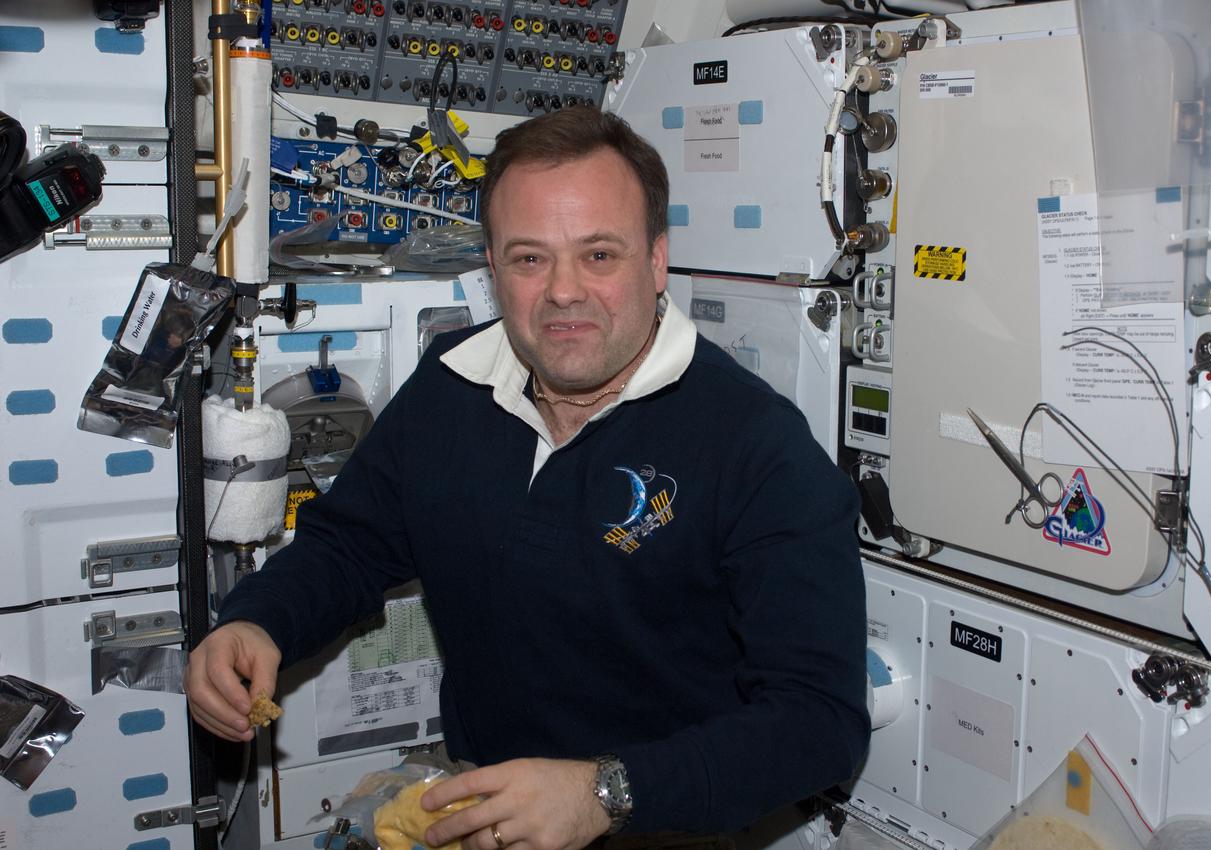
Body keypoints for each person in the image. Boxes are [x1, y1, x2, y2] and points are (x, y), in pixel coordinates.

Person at [185, 106, 870, 850]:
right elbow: (349, 545)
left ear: (656, 259)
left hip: (661, 826)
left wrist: (605, 792)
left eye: (599, 255)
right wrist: (258, 620)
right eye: (529, 258)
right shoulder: (450, 388)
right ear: (493, 265)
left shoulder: (755, 446)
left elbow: (819, 722)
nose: (564, 291)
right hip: (480, 813)